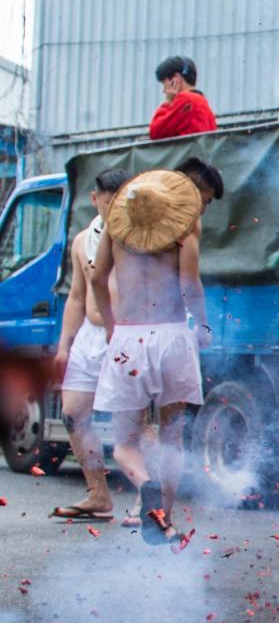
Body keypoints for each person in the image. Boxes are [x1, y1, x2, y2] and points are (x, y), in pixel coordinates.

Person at [91, 169, 214, 542]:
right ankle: (165, 519)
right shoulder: (184, 234)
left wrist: (112, 326)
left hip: (129, 338)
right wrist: (204, 327)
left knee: (126, 443)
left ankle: (144, 483)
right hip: (173, 336)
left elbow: (97, 278)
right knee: (172, 439)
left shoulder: (114, 232)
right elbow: (190, 286)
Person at [48, 168, 138, 521]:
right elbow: (75, 296)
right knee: (72, 414)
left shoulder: (139, 239)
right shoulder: (82, 240)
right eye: (107, 200)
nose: (112, 207)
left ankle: (147, 498)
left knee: (130, 424)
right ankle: (98, 495)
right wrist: (64, 347)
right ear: (94, 199)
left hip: (125, 335)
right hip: (89, 335)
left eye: (120, 201)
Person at [148, 56, 217, 141]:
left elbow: (156, 132)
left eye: (164, 84)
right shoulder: (201, 101)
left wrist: (169, 102)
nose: (164, 90)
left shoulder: (187, 100)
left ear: (175, 79)